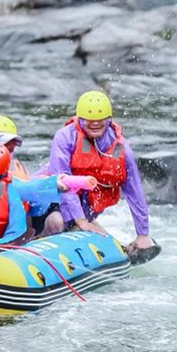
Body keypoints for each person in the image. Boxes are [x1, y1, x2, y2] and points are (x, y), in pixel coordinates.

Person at [42, 90, 155, 259]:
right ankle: (33, 245)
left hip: (83, 215)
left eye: (100, 120)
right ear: (80, 119)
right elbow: (62, 182)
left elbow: (134, 191)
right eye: (89, 120)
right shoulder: (65, 137)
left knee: (114, 250)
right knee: (57, 222)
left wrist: (143, 234)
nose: (95, 124)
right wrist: (80, 220)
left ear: (109, 120)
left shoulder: (120, 148)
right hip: (51, 205)